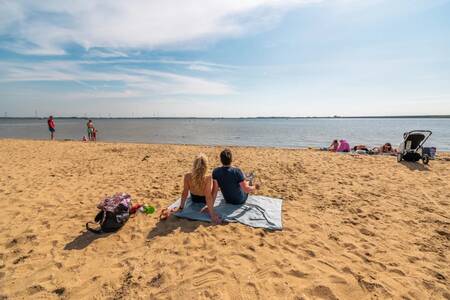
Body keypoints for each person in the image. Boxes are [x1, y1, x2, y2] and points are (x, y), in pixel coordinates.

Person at [177, 154, 220, 224]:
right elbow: (208, 196)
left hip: (194, 198)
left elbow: (185, 193)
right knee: (215, 183)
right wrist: (212, 214)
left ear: (194, 165)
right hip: (204, 201)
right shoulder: (208, 178)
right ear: (206, 165)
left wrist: (181, 207)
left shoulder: (187, 176)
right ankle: (208, 208)